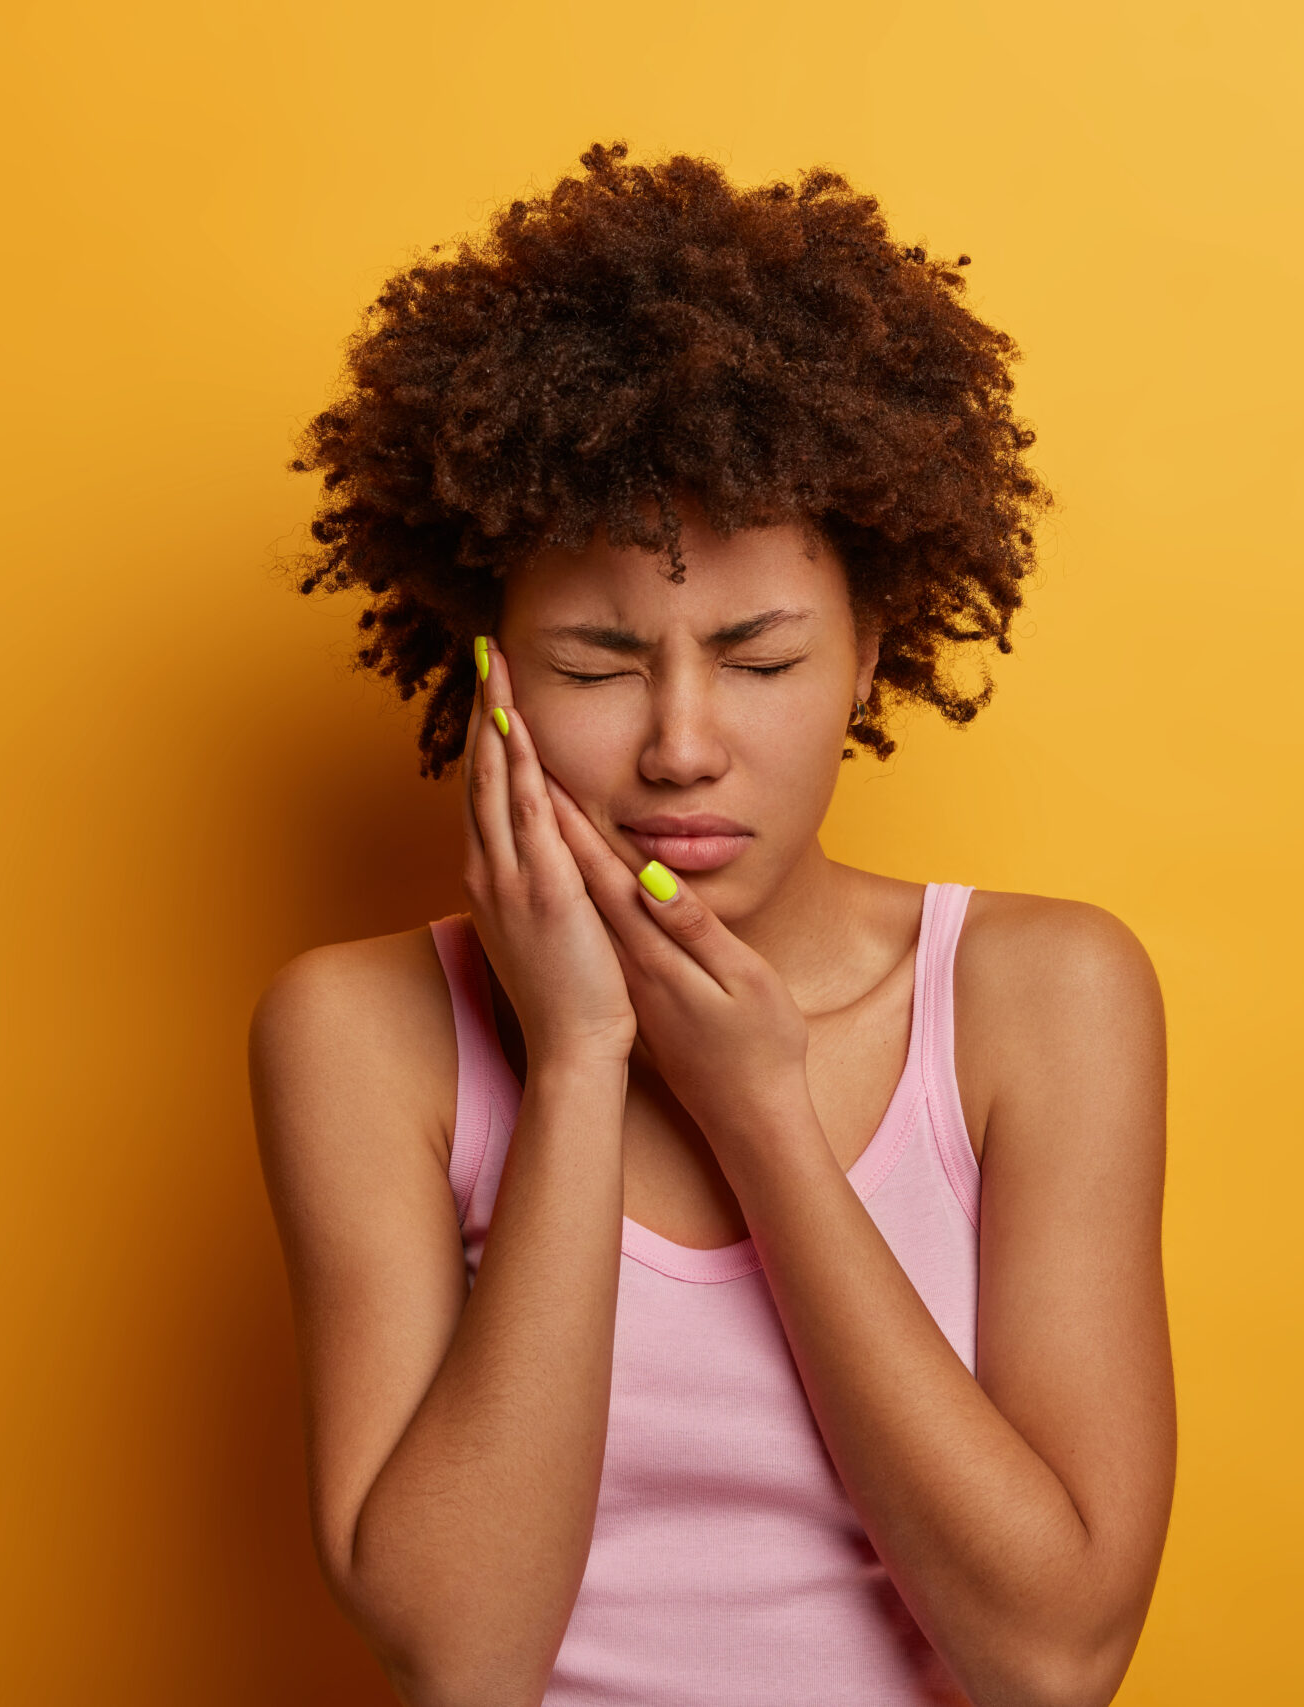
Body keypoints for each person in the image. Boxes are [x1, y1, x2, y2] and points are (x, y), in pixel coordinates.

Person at [251, 144, 1174, 1707]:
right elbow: (464, 1661)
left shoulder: (1039, 999)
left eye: (759, 661)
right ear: (488, 677)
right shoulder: (361, 1034)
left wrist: (759, 1112)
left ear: (871, 657)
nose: (680, 744)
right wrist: (581, 1059)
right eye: (599, 665)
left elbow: (1054, 1661)